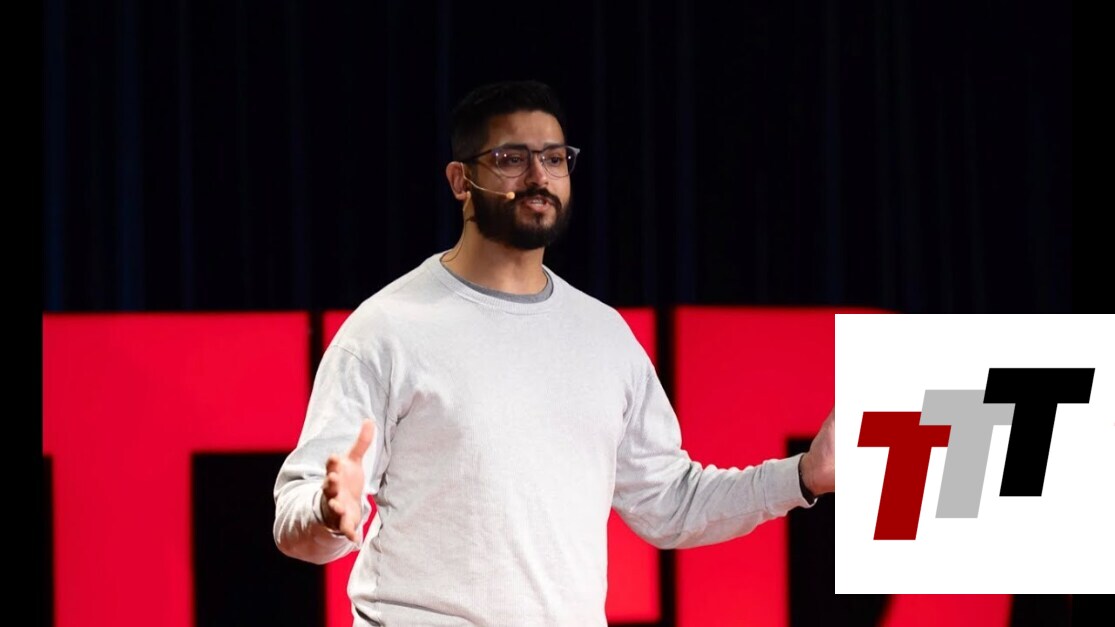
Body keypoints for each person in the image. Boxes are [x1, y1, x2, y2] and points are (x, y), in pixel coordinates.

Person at [273, 80, 835, 626]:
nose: (539, 176)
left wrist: (805, 476)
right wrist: (328, 513)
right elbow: (297, 520)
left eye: (555, 158)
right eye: (511, 158)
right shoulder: (387, 329)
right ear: (461, 180)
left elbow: (671, 502)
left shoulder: (604, 335)